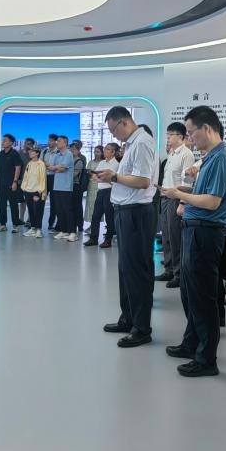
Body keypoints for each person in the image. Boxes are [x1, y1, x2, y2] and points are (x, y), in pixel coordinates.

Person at [160, 106, 226, 377]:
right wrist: (184, 190)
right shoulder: (210, 158)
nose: (190, 138)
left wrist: (179, 195)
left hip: (206, 232)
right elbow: (204, 193)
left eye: (192, 133)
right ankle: (191, 342)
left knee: (203, 297)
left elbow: (212, 202)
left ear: (207, 128)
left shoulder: (221, 158)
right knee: (191, 293)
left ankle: (206, 359)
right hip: (195, 229)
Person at [97, 107, 159, 347]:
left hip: (136, 214)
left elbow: (143, 181)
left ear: (124, 122)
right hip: (126, 212)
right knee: (126, 270)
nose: (114, 135)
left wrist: (113, 177)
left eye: (113, 130)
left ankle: (141, 328)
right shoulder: (133, 144)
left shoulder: (142, 143)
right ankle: (128, 319)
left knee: (137, 272)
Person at [156, 122, 195, 288]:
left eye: (170, 135)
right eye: (167, 135)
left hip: (176, 199)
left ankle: (179, 274)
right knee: (166, 236)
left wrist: (183, 202)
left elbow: (188, 181)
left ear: (180, 136)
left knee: (175, 237)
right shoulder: (171, 154)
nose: (168, 138)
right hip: (165, 197)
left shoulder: (187, 154)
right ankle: (169, 269)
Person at [86, 143, 119, 248]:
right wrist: (99, 177)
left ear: (113, 152)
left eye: (107, 149)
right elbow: (95, 175)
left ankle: (108, 240)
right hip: (100, 191)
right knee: (95, 216)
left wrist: (100, 178)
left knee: (109, 217)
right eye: (105, 149)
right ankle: (93, 238)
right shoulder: (102, 162)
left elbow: (112, 180)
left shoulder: (116, 164)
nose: (104, 151)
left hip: (109, 191)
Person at [47, 135, 77, 243]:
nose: (57, 142)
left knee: (67, 209)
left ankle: (72, 232)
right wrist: (56, 168)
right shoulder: (57, 155)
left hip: (66, 187)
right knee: (59, 209)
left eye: (59, 141)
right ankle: (64, 230)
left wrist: (55, 168)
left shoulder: (68, 154)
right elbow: (51, 168)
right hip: (56, 186)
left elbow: (62, 168)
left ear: (65, 143)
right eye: (57, 141)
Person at [0, 134, 23, 233]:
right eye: (3, 140)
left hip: (11, 183)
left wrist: (15, 182)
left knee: (13, 204)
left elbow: (18, 167)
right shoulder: (0, 154)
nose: (3, 142)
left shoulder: (14, 154)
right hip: (1, 184)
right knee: (2, 205)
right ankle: (3, 225)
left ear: (11, 143)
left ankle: (15, 225)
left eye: (5, 140)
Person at [20, 146, 47, 238]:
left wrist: (38, 193)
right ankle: (33, 228)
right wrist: (24, 188)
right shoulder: (29, 163)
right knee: (31, 210)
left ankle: (39, 230)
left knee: (38, 211)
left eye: (32, 152)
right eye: (30, 152)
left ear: (37, 153)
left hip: (37, 192)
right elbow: (26, 177)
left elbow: (42, 179)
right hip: (28, 191)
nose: (30, 153)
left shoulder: (41, 164)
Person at [42, 134, 60, 231]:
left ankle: (51, 223)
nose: (49, 142)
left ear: (56, 142)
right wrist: (49, 166)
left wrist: (49, 166)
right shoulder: (44, 151)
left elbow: (57, 167)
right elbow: (40, 164)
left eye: (51, 140)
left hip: (54, 178)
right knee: (41, 199)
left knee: (54, 202)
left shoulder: (59, 152)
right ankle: (36, 223)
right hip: (44, 177)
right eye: (49, 140)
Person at [18, 137, 36, 226]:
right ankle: (21, 218)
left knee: (30, 201)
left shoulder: (34, 154)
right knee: (22, 201)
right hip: (22, 180)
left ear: (32, 145)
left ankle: (30, 219)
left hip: (32, 181)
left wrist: (31, 153)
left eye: (29, 144)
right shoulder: (20, 153)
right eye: (26, 143)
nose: (27, 145)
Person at [71, 139, 88, 232]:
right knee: (71, 206)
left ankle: (80, 225)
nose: (72, 149)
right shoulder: (68, 157)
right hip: (70, 185)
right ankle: (72, 224)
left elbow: (78, 172)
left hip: (78, 184)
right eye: (72, 146)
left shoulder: (82, 158)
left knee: (78, 205)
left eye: (75, 146)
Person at [85, 145, 104, 224]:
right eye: (95, 151)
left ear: (102, 153)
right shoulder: (91, 162)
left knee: (97, 205)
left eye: (98, 152)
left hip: (99, 186)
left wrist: (96, 173)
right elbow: (88, 171)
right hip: (91, 185)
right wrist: (90, 173)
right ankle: (91, 224)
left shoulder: (103, 162)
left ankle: (95, 224)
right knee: (90, 204)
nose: (96, 153)